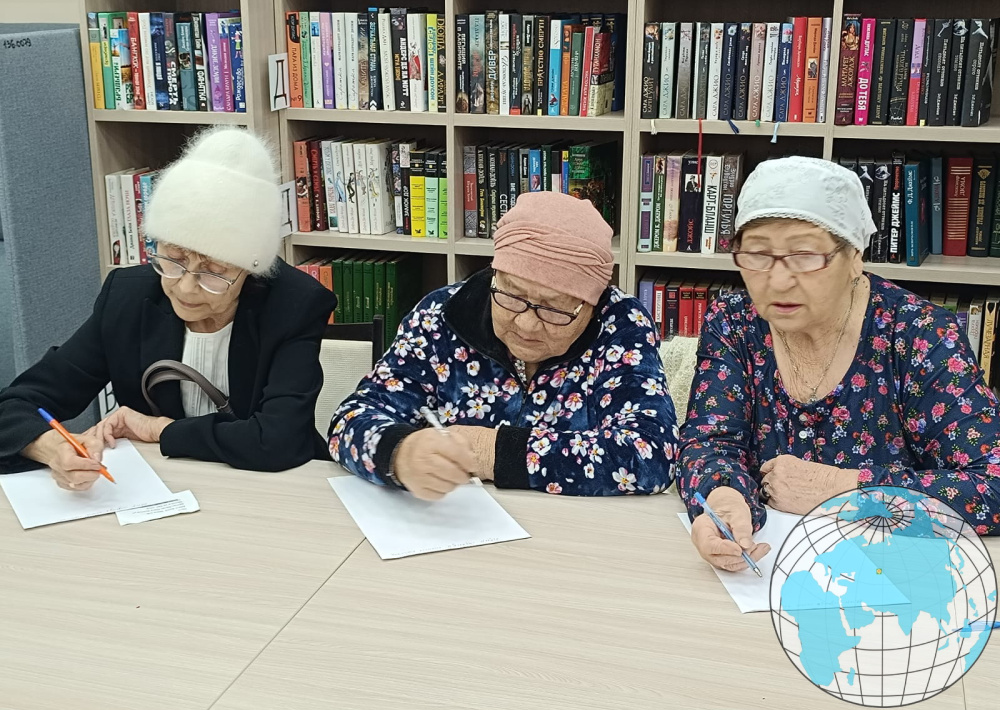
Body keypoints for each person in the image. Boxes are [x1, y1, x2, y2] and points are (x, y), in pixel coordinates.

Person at [677, 156, 1000, 574]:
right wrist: (723, 500)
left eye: (805, 254)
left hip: (894, 578)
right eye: (757, 253)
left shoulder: (920, 335)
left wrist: (845, 489)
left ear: (855, 255)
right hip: (768, 575)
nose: (778, 281)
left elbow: (991, 484)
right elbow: (711, 442)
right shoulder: (735, 322)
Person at [0, 127, 337, 489]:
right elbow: (15, 407)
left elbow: (278, 440)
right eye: (173, 259)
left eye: (213, 271)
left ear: (249, 271)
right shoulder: (127, 298)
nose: (185, 287)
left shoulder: (294, 304)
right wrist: (52, 448)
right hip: (162, 488)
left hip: (271, 490)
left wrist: (161, 429)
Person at [330, 191, 678, 500]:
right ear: (495, 275)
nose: (526, 324)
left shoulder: (620, 326)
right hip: (449, 522)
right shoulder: (442, 315)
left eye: (554, 308)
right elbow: (350, 419)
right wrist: (399, 453)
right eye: (512, 295)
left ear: (592, 303)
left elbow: (651, 455)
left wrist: (490, 451)